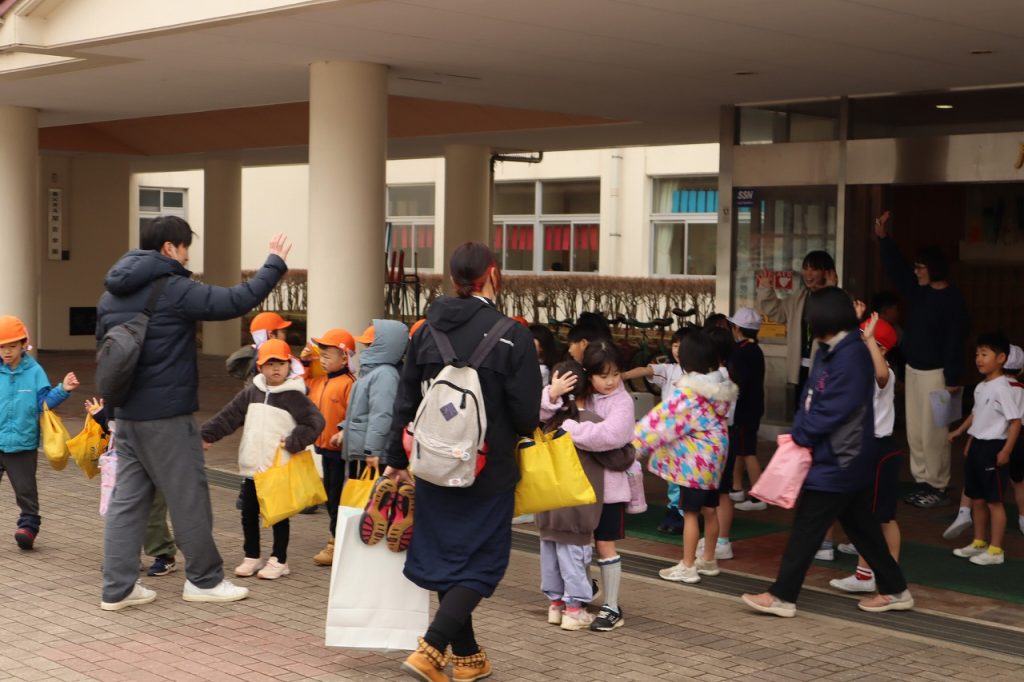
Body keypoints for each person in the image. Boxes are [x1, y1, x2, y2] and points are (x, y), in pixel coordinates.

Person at [96, 216, 290, 611]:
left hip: (128, 416)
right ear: (170, 248)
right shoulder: (174, 288)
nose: (187, 257)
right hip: (167, 417)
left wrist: (113, 413)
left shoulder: (110, 296)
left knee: (126, 503)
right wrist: (274, 263)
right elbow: (236, 300)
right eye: (186, 248)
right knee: (189, 499)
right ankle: (204, 580)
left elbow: (108, 355)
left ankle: (118, 588)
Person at [384, 242, 540, 682]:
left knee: (447, 558)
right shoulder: (513, 334)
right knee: (482, 562)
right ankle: (431, 648)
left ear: (453, 279)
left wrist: (396, 457)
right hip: (488, 470)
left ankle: (468, 657)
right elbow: (526, 415)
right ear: (493, 274)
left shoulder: (425, 331)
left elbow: (406, 400)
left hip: (432, 464)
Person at [741, 287, 914, 617]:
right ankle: (896, 590)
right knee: (863, 529)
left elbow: (836, 407)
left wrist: (802, 435)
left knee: (807, 528)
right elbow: (812, 396)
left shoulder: (852, 355)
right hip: (838, 457)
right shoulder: (830, 349)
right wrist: (802, 430)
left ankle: (782, 596)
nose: (808, 321)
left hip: (839, 458)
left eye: (811, 315)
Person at [201, 339, 324, 580]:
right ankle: (252, 556)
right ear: (260, 367)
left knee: (279, 515)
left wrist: (294, 441)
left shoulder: (294, 396)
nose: (276, 368)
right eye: (270, 364)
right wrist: (206, 435)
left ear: (289, 365)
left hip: (278, 467)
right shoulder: (251, 392)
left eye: (281, 363)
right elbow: (229, 417)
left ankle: (279, 560)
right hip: (251, 467)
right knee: (248, 513)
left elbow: (315, 422)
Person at [874, 211, 969, 509]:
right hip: (914, 370)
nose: (915, 272)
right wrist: (884, 239)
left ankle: (938, 485)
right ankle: (922, 482)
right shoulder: (918, 292)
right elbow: (897, 269)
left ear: (934, 268)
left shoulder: (953, 300)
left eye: (920, 267)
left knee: (935, 433)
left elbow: (955, 340)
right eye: (915, 267)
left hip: (939, 376)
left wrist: (952, 378)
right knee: (915, 432)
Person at [542, 340, 636, 632]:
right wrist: (552, 393)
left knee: (605, 543)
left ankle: (611, 606)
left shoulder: (622, 401)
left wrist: (568, 429)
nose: (610, 381)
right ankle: (577, 598)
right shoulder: (582, 394)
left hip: (608, 488)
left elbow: (610, 436)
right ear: (588, 374)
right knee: (576, 542)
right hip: (577, 486)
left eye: (616, 374)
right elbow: (539, 417)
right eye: (603, 375)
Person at [634, 331, 737, 585]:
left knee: (690, 513)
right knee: (709, 510)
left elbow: (660, 421)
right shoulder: (721, 386)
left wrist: (633, 443)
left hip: (695, 462)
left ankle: (688, 566)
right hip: (714, 459)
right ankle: (708, 560)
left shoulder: (689, 392)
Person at [830, 311, 905, 593]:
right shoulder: (859, 370)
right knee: (867, 514)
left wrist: (869, 339)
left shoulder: (885, 372)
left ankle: (888, 578)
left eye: (863, 340)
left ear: (881, 347)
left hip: (880, 450)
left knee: (882, 517)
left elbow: (882, 375)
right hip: (865, 448)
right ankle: (865, 575)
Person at [0, 316, 79, 550]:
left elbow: (43, 402)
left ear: (24, 344)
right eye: (2, 347)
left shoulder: (34, 371)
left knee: (25, 491)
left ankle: (28, 526)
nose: (6, 351)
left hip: (22, 443)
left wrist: (63, 389)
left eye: (12, 346)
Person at [947, 333, 1023, 566]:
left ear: (1001, 358)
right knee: (977, 499)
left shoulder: (1004, 388)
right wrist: (960, 431)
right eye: (977, 354)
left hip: (994, 447)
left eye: (984, 354)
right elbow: (976, 413)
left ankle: (996, 549)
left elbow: (1015, 422)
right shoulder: (981, 387)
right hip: (978, 446)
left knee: (993, 501)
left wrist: (1006, 450)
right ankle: (979, 542)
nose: (979, 359)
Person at [85, 397, 178, 576]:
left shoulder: (158, 394)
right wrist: (102, 416)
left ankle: (165, 555)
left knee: (153, 513)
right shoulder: (119, 392)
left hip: (158, 460)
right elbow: (116, 428)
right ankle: (127, 557)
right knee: (124, 511)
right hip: (127, 461)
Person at [623, 327, 689, 534]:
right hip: (668, 434)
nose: (678, 350)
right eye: (675, 345)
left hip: (686, 435)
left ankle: (682, 513)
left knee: (683, 475)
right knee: (671, 475)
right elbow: (646, 370)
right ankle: (674, 509)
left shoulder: (698, 374)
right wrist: (621, 376)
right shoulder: (670, 369)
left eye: (683, 346)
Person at [756, 251, 837, 414]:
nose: (808, 274)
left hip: (825, 370)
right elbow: (778, 313)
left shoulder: (838, 298)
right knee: (801, 414)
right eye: (806, 268)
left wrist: (831, 292)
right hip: (801, 369)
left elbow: (837, 322)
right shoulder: (800, 296)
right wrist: (766, 289)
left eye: (814, 269)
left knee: (820, 415)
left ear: (827, 272)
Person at [302, 327, 357, 566]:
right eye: (320, 355)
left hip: (343, 453)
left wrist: (344, 433)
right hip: (325, 449)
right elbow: (302, 387)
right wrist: (307, 363)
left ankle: (337, 542)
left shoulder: (350, 383)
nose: (322, 360)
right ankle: (335, 538)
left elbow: (355, 415)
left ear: (344, 358)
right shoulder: (321, 381)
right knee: (330, 496)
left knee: (339, 498)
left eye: (327, 356)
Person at [341, 319, 408, 475]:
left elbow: (381, 415)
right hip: (370, 450)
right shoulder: (374, 372)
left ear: (383, 346)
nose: (365, 350)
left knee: (375, 489)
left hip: (377, 454)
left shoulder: (385, 374)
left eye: (369, 345)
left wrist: (373, 450)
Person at [728, 308, 767, 521]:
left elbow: (738, 382)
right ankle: (736, 488)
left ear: (737, 328)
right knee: (740, 449)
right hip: (753, 407)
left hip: (743, 409)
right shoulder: (754, 349)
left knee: (748, 451)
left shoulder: (740, 352)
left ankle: (758, 495)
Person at [226, 311, 292, 381]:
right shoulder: (266, 358)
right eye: (283, 332)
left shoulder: (253, 356)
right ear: (271, 335)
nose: (285, 336)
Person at [1004, 345, 1024, 536]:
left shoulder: (991, 387)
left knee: (978, 483)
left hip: (995, 439)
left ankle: (964, 512)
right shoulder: (1021, 390)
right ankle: (1023, 518)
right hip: (1018, 440)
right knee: (1019, 482)